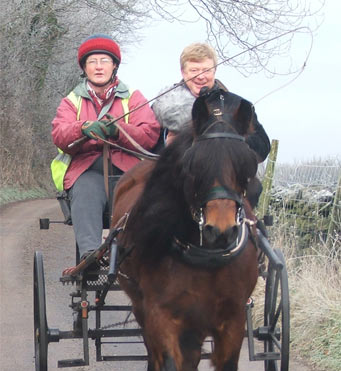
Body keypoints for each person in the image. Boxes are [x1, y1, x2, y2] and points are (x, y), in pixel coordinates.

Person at [51, 34, 160, 262]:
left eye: (104, 61)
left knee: (140, 197)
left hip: (127, 172)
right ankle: (90, 254)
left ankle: (136, 257)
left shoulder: (133, 97)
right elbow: (59, 134)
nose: (98, 67)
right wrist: (83, 127)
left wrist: (118, 131)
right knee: (85, 192)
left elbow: (149, 134)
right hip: (88, 171)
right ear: (85, 68)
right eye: (92, 62)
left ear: (114, 66)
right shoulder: (72, 101)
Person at [152, 43, 270, 207]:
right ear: (183, 72)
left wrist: (231, 144)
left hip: (226, 184)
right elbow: (150, 146)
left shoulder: (236, 105)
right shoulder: (164, 106)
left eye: (206, 70)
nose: (200, 76)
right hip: (174, 181)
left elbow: (262, 146)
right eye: (194, 70)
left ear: (214, 71)